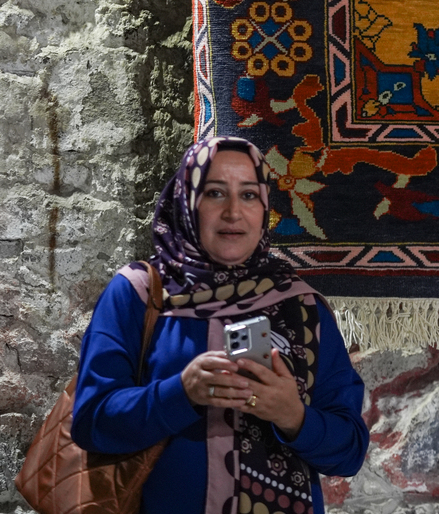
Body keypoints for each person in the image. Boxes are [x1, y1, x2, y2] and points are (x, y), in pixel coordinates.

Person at [71, 136, 369, 514]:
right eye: (215, 193)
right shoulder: (139, 293)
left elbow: (350, 452)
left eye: (248, 195)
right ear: (188, 201)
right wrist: (181, 392)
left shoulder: (302, 306)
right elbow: (91, 423)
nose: (233, 212)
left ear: (264, 208)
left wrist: (293, 417)